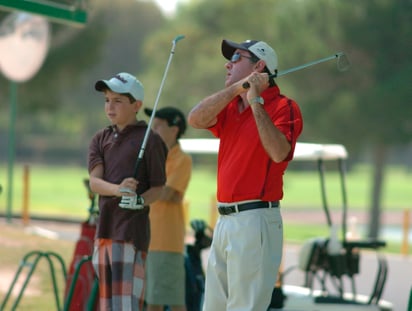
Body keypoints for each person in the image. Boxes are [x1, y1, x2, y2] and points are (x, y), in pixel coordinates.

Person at [188, 39, 303, 310]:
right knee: (213, 306)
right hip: (225, 221)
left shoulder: (284, 106)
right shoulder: (230, 106)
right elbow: (195, 118)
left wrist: (255, 102)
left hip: (256, 220)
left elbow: (277, 152)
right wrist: (238, 89)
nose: (228, 64)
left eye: (237, 58)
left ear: (260, 66)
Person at [88, 72, 168, 311]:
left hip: (131, 234)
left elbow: (158, 189)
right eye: (107, 100)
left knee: (126, 306)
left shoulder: (151, 140)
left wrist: (140, 200)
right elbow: (95, 182)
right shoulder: (100, 138)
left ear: (137, 105)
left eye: (118, 101)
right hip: (104, 232)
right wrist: (119, 190)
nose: (110, 107)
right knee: (108, 306)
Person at [143, 107, 192, 311]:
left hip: (166, 241)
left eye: (158, 126)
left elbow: (167, 193)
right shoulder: (154, 156)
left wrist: (138, 196)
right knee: (153, 300)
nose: (153, 130)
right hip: (147, 238)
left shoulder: (181, 160)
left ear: (174, 129)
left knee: (171, 301)